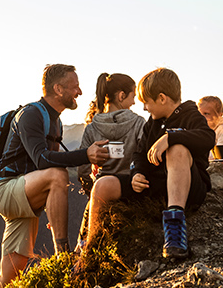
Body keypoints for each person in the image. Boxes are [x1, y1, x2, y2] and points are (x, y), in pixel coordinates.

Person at [0, 64, 110, 288]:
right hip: (6, 189)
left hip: (24, 194)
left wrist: (52, 205)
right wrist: (87, 155)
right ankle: (63, 257)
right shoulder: (30, 114)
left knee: (10, 275)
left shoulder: (55, 121)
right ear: (58, 88)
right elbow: (43, 161)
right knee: (57, 175)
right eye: (75, 87)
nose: (80, 92)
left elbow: (46, 169)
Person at [78, 68, 214, 261]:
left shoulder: (191, 115)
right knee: (102, 185)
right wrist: (137, 173)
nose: (144, 108)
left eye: (146, 103)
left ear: (162, 98)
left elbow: (208, 138)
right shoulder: (152, 123)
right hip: (155, 186)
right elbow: (139, 154)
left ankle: (175, 231)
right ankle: (90, 248)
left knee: (177, 149)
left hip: (188, 188)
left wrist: (171, 138)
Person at [79, 73, 146, 184]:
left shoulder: (91, 128)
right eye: (133, 96)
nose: (134, 102)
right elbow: (144, 156)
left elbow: (83, 170)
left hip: (102, 188)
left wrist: (91, 189)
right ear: (122, 96)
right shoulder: (139, 123)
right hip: (131, 187)